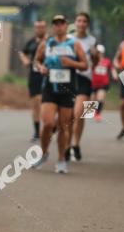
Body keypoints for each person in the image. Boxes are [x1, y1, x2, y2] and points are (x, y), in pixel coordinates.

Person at [31, 15, 88, 174]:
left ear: (66, 25)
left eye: (61, 23)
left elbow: (85, 65)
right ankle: (43, 153)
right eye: (55, 23)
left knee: (64, 125)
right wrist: (40, 67)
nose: (58, 26)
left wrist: (71, 63)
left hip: (69, 89)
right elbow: (36, 61)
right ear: (53, 26)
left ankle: (62, 158)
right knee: (48, 123)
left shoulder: (74, 44)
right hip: (49, 86)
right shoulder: (47, 43)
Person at [68, 12, 98, 162]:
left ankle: (76, 144)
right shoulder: (69, 39)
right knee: (69, 114)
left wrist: (95, 54)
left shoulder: (92, 40)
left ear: (87, 24)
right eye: (79, 20)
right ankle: (67, 145)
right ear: (75, 23)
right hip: (69, 78)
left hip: (85, 78)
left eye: (84, 21)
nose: (81, 23)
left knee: (80, 113)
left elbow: (96, 63)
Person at [18, 20, 47, 142]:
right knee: (36, 103)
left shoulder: (50, 42)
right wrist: (24, 60)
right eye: (37, 27)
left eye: (41, 27)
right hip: (34, 76)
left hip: (48, 76)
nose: (39, 29)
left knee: (44, 102)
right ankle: (37, 132)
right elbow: (22, 52)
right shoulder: (31, 42)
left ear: (45, 28)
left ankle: (49, 127)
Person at [90, 44, 113, 122]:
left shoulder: (107, 61)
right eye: (98, 52)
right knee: (92, 100)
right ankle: (90, 113)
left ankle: (97, 114)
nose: (99, 54)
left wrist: (115, 75)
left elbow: (112, 69)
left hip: (103, 84)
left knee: (100, 98)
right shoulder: (92, 61)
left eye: (100, 52)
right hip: (93, 84)